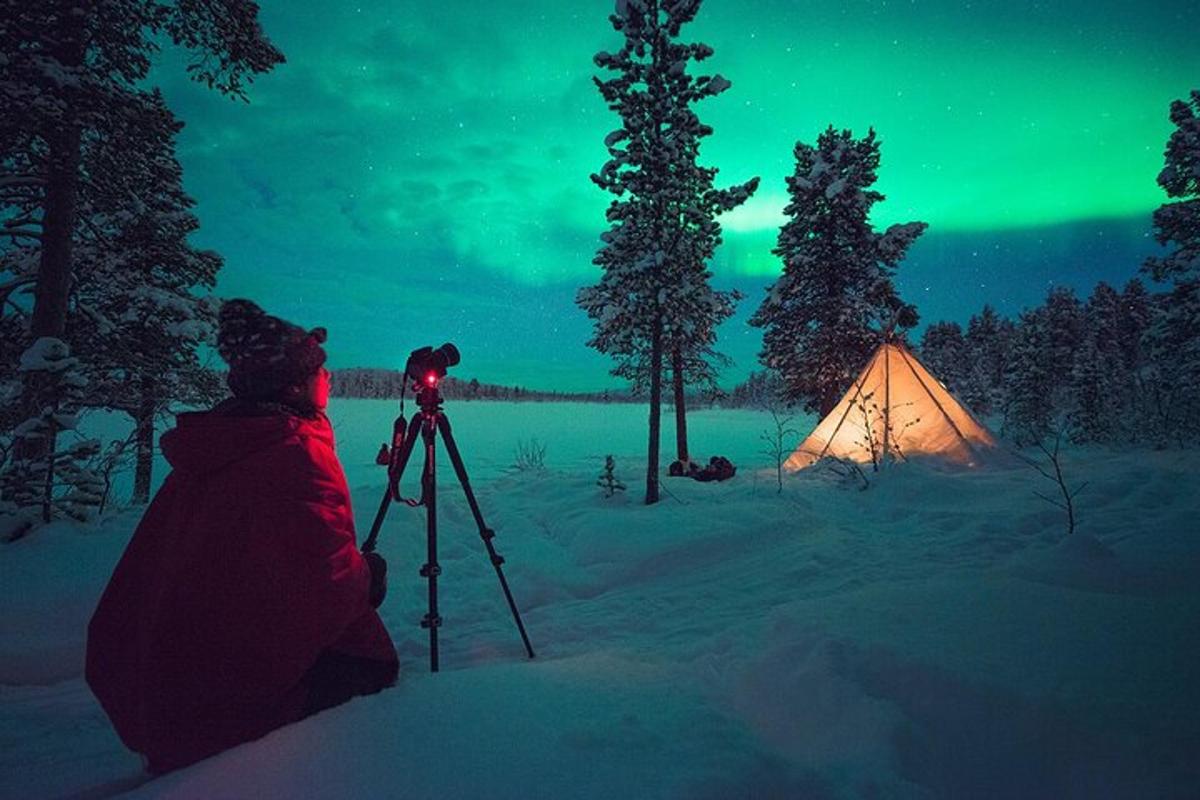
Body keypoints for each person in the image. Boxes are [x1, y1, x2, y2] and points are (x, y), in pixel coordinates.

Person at [86, 299, 399, 774]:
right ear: (295, 385)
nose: (328, 378)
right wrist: (368, 577)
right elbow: (327, 591)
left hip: (155, 699)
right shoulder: (294, 455)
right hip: (211, 713)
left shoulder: (221, 441)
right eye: (320, 370)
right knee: (375, 666)